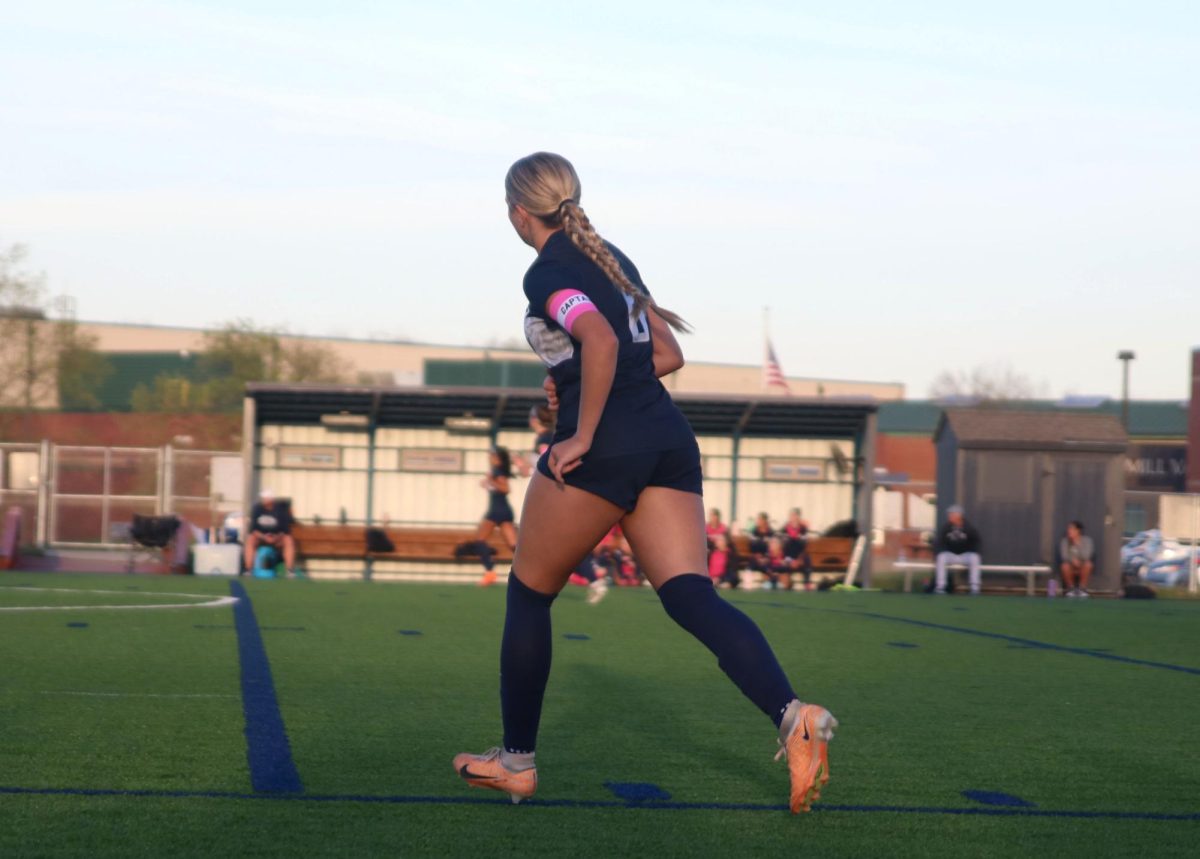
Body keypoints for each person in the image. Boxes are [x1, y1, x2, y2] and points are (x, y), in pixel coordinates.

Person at [453, 152, 836, 814]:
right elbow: (665, 353)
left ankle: (516, 761)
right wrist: (571, 382)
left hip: (606, 446)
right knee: (690, 595)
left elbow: (600, 342)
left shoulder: (546, 269)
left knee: (527, 594)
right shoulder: (612, 256)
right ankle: (792, 714)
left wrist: (578, 430)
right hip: (666, 440)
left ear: (520, 211)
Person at [455, 447, 518, 587]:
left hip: (497, 510)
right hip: (505, 511)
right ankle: (533, 567)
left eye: (491, 455)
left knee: (480, 540)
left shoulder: (497, 470)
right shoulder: (498, 470)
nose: (488, 457)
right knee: (514, 546)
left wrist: (491, 482)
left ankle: (490, 572)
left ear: (496, 457)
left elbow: (506, 489)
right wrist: (488, 483)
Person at [243, 489, 295, 577]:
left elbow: (285, 530)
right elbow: (253, 529)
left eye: (265, 498)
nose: (263, 500)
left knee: (288, 540)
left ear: (271, 500)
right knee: (250, 539)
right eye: (263, 498)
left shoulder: (281, 510)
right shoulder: (257, 509)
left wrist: (275, 538)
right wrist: (264, 537)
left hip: (277, 538)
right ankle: (248, 570)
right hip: (261, 537)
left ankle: (289, 571)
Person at [933, 505, 982, 595]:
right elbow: (939, 541)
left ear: (959, 515)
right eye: (949, 514)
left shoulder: (968, 527)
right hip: (951, 555)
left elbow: (976, 541)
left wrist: (971, 550)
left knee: (975, 558)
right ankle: (940, 587)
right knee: (941, 557)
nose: (949, 516)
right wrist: (941, 550)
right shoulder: (946, 527)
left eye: (952, 514)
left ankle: (974, 588)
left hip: (964, 555)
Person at [1059, 520, 1094, 598]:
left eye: (1071, 529)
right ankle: (1070, 589)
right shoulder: (1064, 541)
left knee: (1088, 564)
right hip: (1070, 566)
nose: (1069, 531)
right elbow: (1064, 556)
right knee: (1064, 566)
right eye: (1068, 529)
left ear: (1078, 531)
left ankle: (1082, 589)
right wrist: (1072, 560)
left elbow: (1086, 556)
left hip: (1082, 566)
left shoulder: (1087, 541)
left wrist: (1076, 543)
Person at [782, 508, 814, 590]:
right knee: (784, 562)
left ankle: (807, 583)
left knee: (807, 559)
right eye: (791, 515)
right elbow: (784, 548)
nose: (792, 517)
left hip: (799, 557)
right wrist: (791, 560)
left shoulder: (803, 529)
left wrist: (799, 560)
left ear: (798, 517)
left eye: (794, 515)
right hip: (788, 557)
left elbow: (804, 547)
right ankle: (787, 584)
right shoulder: (784, 529)